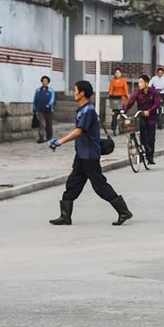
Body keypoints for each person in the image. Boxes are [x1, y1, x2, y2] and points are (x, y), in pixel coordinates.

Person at [47, 81, 132, 227]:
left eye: (75, 91)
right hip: (81, 155)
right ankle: (65, 216)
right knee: (72, 184)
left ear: (82, 94)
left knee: (100, 186)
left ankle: (123, 211)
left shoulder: (88, 110)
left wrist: (60, 141)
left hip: (90, 156)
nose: (74, 93)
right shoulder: (82, 109)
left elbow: (79, 131)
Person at [122, 75, 162, 164]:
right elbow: (130, 102)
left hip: (151, 117)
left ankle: (150, 157)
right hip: (141, 115)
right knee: (142, 131)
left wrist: (150, 111)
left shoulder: (153, 92)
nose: (139, 84)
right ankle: (144, 146)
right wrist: (123, 111)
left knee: (151, 138)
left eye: (141, 82)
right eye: (139, 82)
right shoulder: (137, 92)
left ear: (146, 83)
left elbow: (157, 103)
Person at [32, 75, 55, 143]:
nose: (45, 82)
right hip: (40, 109)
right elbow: (35, 99)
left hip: (48, 109)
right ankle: (41, 137)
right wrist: (34, 108)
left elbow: (52, 99)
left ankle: (49, 137)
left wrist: (49, 104)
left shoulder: (51, 90)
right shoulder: (38, 90)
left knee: (49, 123)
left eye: (46, 81)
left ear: (48, 82)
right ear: (41, 82)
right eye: (43, 81)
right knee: (41, 124)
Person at [107, 68, 129, 135]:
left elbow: (126, 89)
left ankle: (121, 128)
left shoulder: (123, 81)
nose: (117, 74)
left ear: (121, 74)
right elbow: (110, 89)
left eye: (118, 73)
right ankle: (113, 127)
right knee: (115, 113)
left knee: (122, 113)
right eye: (116, 73)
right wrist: (109, 94)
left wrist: (127, 94)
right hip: (115, 99)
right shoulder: (113, 81)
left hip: (122, 98)